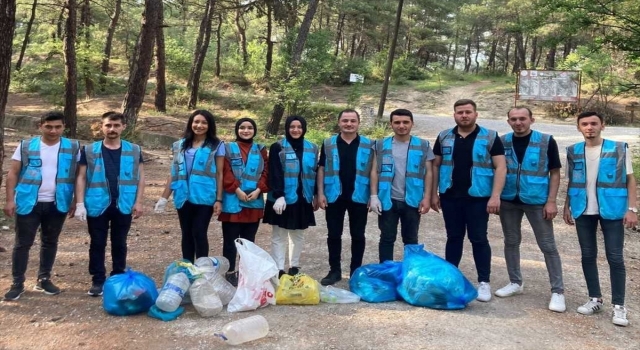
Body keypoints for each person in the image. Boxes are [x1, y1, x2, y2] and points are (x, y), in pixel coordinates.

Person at [563, 111, 637, 327]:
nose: (589, 127)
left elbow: (630, 180)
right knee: (588, 255)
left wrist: (632, 208)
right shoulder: (573, 151)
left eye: (594, 123)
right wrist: (567, 205)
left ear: (602, 125)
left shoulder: (619, 148)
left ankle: (619, 306)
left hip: (613, 208)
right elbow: (572, 181)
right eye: (584, 124)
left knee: (615, 257)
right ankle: (595, 298)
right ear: (579, 127)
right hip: (582, 209)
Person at [431, 99, 506, 302]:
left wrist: (495, 196)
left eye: (468, 112)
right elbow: (435, 166)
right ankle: (451, 278)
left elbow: (500, 166)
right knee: (453, 237)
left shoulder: (490, 136)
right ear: (454, 115)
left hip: (478, 198)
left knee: (479, 238)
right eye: (460, 112)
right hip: (450, 196)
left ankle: (484, 282)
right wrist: (433, 194)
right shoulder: (444, 136)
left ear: (476, 114)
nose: (464, 115)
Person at [3, 111, 80, 301]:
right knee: (22, 244)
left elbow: (79, 176)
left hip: (57, 202)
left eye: (58, 127)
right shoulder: (26, 146)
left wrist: (75, 201)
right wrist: (10, 199)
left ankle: (44, 278)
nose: (53, 131)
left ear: (63, 127)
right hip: (28, 202)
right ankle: (17, 283)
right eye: (49, 126)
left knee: (50, 241)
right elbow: (13, 173)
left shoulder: (73, 147)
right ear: (40, 126)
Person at [495, 107, 565, 312]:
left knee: (547, 245)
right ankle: (515, 282)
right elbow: (496, 169)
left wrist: (551, 201)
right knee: (511, 241)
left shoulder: (545, 141)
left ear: (531, 120)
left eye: (522, 119)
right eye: (514, 119)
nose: (518, 122)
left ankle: (558, 291)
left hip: (537, 200)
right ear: (508, 121)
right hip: (509, 199)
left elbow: (555, 173)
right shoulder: (502, 141)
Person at [75, 111, 145, 297]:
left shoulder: (134, 149)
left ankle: (117, 277)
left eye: (116, 125)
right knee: (97, 243)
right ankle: (98, 280)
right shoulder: (89, 150)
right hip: (97, 204)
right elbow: (81, 177)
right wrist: (80, 203)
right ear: (102, 127)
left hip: (124, 203)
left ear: (123, 126)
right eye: (108, 125)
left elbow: (141, 177)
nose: (112, 129)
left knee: (119, 242)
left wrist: (138, 202)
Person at [154, 110, 224, 264]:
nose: (199, 125)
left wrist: (219, 199)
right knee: (186, 233)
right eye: (196, 122)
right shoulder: (180, 145)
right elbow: (174, 172)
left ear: (210, 125)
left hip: (205, 196)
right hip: (182, 195)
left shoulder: (216, 146)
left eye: (204, 122)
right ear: (190, 123)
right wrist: (163, 198)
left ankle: (202, 269)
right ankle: (188, 268)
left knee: (199, 232)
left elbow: (220, 173)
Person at [317, 109, 375, 285]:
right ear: (339, 122)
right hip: (334, 196)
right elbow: (321, 168)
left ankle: (356, 271)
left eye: (352, 121)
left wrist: (373, 195)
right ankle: (334, 271)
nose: (348, 124)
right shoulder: (328, 143)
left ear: (358, 123)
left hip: (359, 196)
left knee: (358, 235)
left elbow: (373, 171)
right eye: (345, 120)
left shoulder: (369, 144)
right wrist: (320, 193)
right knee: (334, 234)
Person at [369, 108, 434, 263]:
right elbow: (374, 171)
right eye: (397, 122)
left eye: (405, 122)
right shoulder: (380, 145)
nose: (401, 126)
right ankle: (386, 271)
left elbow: (429, 173)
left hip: (412, 200)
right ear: (391, 124)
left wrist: (427, 198)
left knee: (411, 239)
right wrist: (373, 196)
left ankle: (411, 273)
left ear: (412, 124)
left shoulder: (423, 145)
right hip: (387, 199)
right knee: (386, 238)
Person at [263, 116, 318, 278]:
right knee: (279, 235)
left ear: (304, 129)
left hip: (303, 198)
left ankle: (294, 266)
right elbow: (274, 171)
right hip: (281, 198)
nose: (295, 130)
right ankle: (279, 268)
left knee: (298, 234)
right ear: (287, 128)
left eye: (299, 127)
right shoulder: (277, 147)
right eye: (292, 127)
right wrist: (279, 195)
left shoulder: (312, 148)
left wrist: (315, 194)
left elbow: (314, 172)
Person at [217, 117, 268, 287]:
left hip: (254, 201)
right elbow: (224, 171)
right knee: (230, 241)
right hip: (233, 202)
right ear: (237, 130)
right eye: (242, 128)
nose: (246, 131)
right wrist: (236, 189)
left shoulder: (261, 149)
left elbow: (266, 172)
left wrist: (259, 189)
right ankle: (230, 271)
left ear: (254, 130)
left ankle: (245, 272)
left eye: (249, 128)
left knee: (248, 241)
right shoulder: (227, 148)